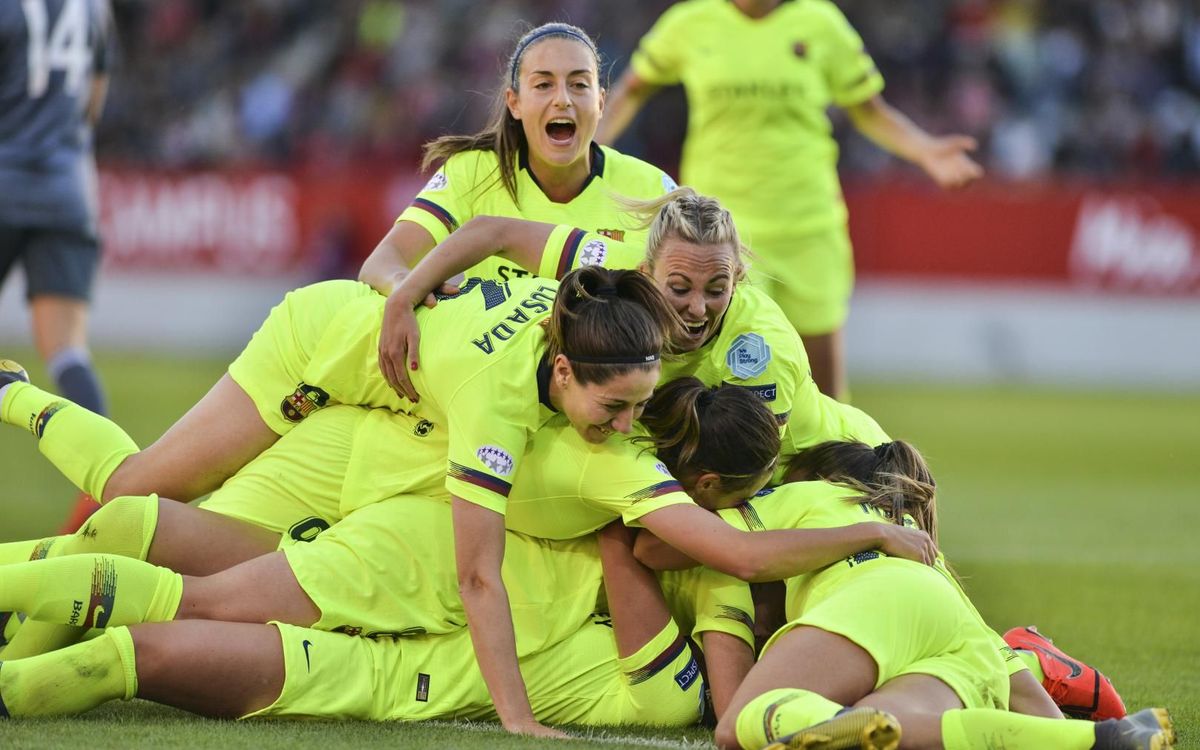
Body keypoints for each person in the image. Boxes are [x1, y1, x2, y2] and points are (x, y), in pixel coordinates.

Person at [596, 0, 984, 399]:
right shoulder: (691, 23)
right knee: (726, 382)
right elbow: (631, 90)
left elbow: (870, 110)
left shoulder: (820, 23)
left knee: (822, 389)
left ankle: (830, 462)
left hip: (808, 226)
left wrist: (925, 151)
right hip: (723, 238)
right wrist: (589, 152)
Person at [0, 522, 722, 731]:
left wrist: (631, 514)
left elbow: (641, 553)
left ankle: (13, 689)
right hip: (401, 568)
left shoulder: (672, 691)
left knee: (141, 651)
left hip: (375, 677)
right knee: (184, 590)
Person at [694, 440, 1174, 750]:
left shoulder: (806, 494)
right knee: (906, 730)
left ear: (817, 474)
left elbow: (671, 544)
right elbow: (1009, 674)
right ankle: (1106, 739)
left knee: (738, 726)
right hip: (946, 619)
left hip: (872, 598)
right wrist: (1073, 734)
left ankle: (839, 721)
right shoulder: (918, 543)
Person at [374, 188, 889, 468]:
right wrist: (406, 295)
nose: (697, 309)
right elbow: (492, 231)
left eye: (718, 290)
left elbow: (740, 477)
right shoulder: (616, 266)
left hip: (822, 462)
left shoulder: (759, 349)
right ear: (645, 273)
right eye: (679, 287)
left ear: (740, 280)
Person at [356, 21, 679, 393]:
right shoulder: (474, 172)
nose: (563, 99)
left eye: (579, 84)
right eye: (543, 85)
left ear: (601, 102)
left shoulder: (651, 189)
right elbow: (382, 261)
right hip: (492, 387)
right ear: (515, 103)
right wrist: (406, 290)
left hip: (602, 397)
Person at [0, 0, 115, 532]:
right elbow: (92, 103)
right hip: (68, 190)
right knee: (69, 353)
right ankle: (104, 501)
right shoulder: (92, 6)